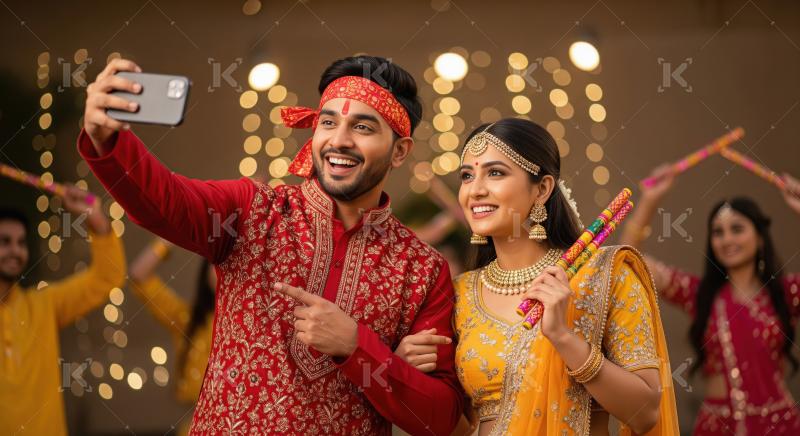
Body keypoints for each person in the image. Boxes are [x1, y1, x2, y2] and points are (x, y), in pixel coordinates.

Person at [78, 55, 462, 434]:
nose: (339, 141)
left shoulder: (421, 267)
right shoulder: (252, 211)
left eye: (363, 127)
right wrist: (107, 138)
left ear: (399, 151)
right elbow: (164, 201)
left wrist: (356, 346)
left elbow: (439, 417)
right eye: (328, 122)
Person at [396, 118, 679, 435]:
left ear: (542, 189)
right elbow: (454, 428)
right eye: (467, 176)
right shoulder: (458, 293)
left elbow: (646, 412)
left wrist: (563, 337)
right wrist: (406, 376)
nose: (475, 190)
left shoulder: (604, 275)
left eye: (495, 173)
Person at [619, 164, 800, 434]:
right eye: (718, 232)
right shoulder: (699, 294)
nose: (727, 239)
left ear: (760, 238)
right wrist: (650, 200)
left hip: (780, 425)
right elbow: (630, 262)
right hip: (717, 427)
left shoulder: (785, 293)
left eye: (737, 229)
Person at [0, 187, 126, 435]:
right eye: (4, 242)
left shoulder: (44, 303)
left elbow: (106, 277)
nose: (15, 251)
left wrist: (96, 219)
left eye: (21, 243)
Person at [128, 238, 215, 435]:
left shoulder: (257, 322)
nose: (223, 271)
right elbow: (139, 275)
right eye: (217, 263)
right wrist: (168, 239)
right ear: (206, 272)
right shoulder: (187, 319)